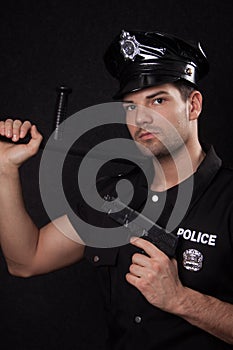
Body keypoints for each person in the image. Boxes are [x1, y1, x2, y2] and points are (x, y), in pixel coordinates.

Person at [0, 29, 232, 350]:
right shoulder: (113, 197)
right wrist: (4, 170)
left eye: (158, 100)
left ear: (193, 105)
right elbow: (26, 260)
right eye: (130, 107)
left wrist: (180, 300)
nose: (142, 119)